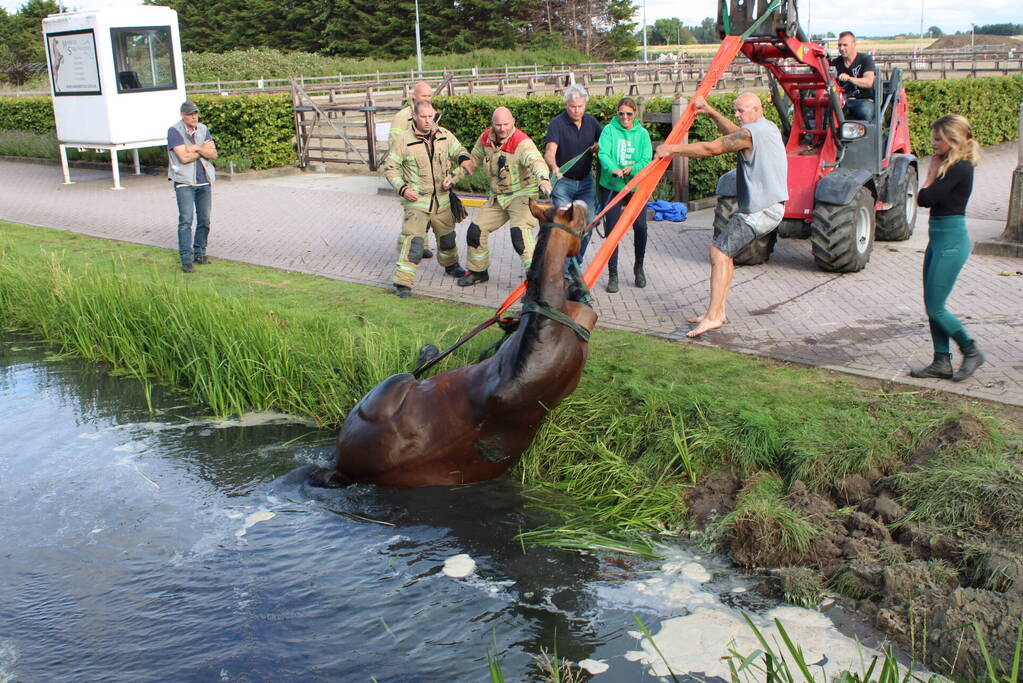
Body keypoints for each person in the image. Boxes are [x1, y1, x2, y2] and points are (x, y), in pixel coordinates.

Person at [655, 92, 787, 338]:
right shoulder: (765, 127)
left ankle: (714, 316)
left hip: (763, 209)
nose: (736, 115)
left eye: (740, 111)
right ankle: (718, 311)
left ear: (756, 110)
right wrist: (711, 111)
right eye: (735, 110)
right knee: (725, 256)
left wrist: (671, 149)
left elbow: (712, 147)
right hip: (765, 207)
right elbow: (732, 133)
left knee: (719, 253)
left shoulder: (750, 133)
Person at [909, 114, 984, 382]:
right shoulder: (948, 165)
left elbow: (926, 198)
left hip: (951, 241)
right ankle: (941, 361)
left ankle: (971, 350)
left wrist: (929, 175)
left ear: (953, 139)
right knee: (932, 304)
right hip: (938, 239)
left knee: (936, 307)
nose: (933, 142)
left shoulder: (960, 167)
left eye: (938, 138)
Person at [380, 100, 473, 297]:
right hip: (417, 203)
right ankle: (403, 283)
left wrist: (462, 161)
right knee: (414, 243)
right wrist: (403, 189)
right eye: (423, 117)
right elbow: (390, 169)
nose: (428, 121)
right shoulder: (403, 140)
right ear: (414, 117)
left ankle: (451, 266)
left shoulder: (444, 135)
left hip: (442, 202)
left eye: (431, 116)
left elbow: (460, 151)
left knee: (448, 238)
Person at [458, 107, 553, 287]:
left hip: (522, 196)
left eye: (506, 124)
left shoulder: (522, 142)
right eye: (498, 125)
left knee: (520, 237)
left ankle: (537, 284)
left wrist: (543, 179)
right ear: (492, 124)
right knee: (475, 232)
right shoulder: (486, 138)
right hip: (498, 197)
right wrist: (453, 177)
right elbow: (473, 161)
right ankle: (478, 272)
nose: (502, 128)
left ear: (513, 121)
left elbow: (537, 161)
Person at [596, 97, 652, 292]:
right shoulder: (609, 131)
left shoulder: (642, 134)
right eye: (621, 113)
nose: (625, 117)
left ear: (635, 113)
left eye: (629, 113)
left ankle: (639, 268)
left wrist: (633, 168)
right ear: (617, 113)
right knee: (612, 231)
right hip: (612, 185)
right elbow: (603, 153)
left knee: (641, 227)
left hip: (635, 187)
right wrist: (613, 169)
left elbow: (647, 158)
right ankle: (613, 274)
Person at [544, 84, 602, 262]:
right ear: (566, 105)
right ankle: (567, 273)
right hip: (563, 184)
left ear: (585, 105)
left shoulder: (592, 122)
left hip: (585, 183)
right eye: (572, 106)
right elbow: (549, 152)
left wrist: (598, 147)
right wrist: (554, 167)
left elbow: (604, 145)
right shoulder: (557, 124)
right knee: (566, 226)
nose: (576, 110)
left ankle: (576, 262)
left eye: (580, 106)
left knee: (588, 223)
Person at [168, 100, 217, 273]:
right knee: (186, 220)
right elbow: (183, 158)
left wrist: (194, 148)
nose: (194, 117)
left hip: (204, 180)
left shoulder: (203, 129)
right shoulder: (174, 131)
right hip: (184, 182)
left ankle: (200, 252)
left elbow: (213, 153)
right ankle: (186, 259)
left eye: (195, 113)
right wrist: (201, 148)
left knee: (204, 219)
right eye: (190, 114)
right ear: (182, 115)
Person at [389, 80, 436, 259]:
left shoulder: (430, 114)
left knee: (426, 213)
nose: (427, 99)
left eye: (429, 96)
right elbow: (394, 145)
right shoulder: (402, 117)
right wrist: (402, 180)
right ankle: (405, 247)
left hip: (425, 173)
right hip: (409, 174)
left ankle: (422, 244)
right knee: (413, 215)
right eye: (424, 96)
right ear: (413, 97)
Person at [831, 31, 876, 121]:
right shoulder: (835, 63)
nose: (842, 48)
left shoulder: (865, 59)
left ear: (854, 44)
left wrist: (849, 78)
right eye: (839, 45)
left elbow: (868, 82)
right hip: (843, 101)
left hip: (864, 100)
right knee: (827, 114)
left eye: (845, 45)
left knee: (865, 111)